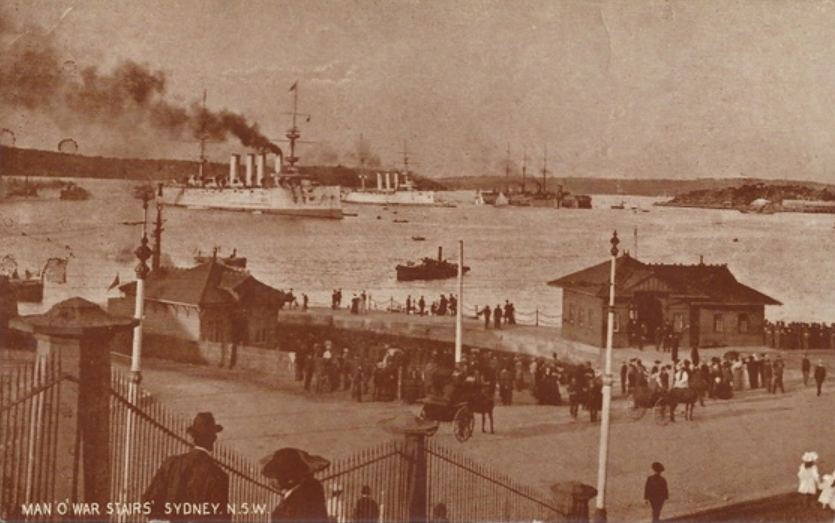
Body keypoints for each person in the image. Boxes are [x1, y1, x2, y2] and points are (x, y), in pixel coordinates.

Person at [143, 412, 229, 522]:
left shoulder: (171, 464)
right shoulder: (218, 475)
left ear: (192, 437)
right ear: (214, 439)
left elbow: (149, 502)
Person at [262, 447, 329, 522]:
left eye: (277, 475)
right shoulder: (306, 490)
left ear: (289, 479)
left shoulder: (302, 497)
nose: (273, 479)